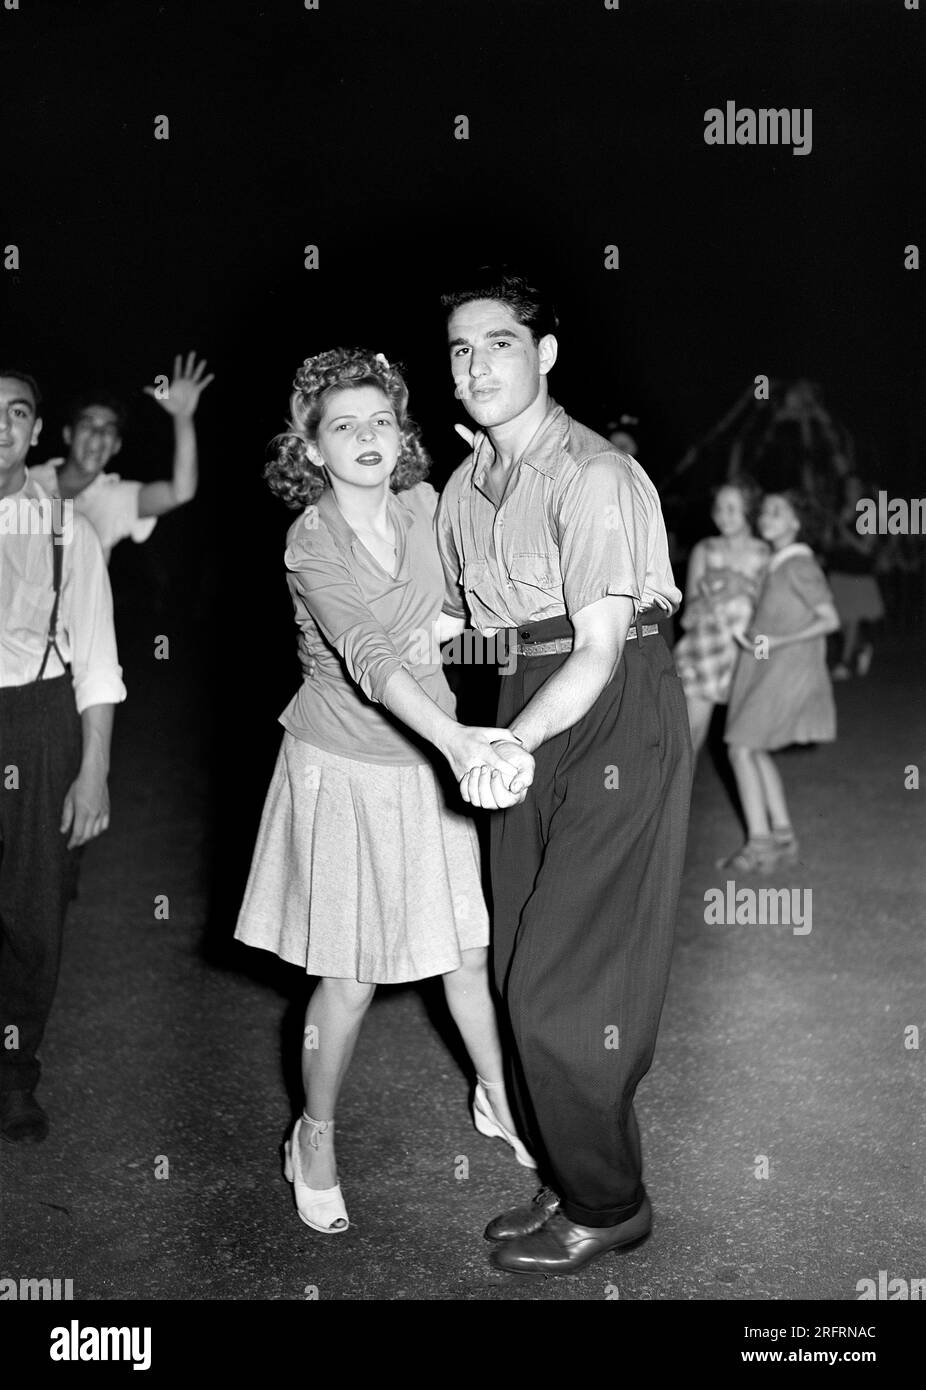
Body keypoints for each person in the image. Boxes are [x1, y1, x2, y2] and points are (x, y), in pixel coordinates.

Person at [234, 348, 535, 1236]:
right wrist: (455, 739)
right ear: (314, 448)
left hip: (424, 765)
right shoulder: (311, 541)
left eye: (380, 421)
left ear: (403, 434)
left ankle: (496, 1098)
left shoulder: (425, 504)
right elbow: (369, 658)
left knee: (467, 957)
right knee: (352, 981)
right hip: (345, 769)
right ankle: (313, 1135)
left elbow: (464, 605)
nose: (366, 437)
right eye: (343, 425)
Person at [435, 269, 693, 1276]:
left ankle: (609, 1202)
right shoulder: (465, 486)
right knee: (512, 969)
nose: (476, 365)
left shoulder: (593, 474)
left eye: (498, 343)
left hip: (607, 703)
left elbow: (592, 648)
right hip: (520, 701)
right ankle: (566, 1168)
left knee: (566, 985)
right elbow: (471, 627)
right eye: (459, 349)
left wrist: (510, 743)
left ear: (543, 354)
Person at [0, 369, 126, 1142]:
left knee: (32, 915)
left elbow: (100, 661)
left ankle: (13, 1075)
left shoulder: (64, 528)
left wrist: (94, 770)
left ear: (35, 431)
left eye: (15, 413)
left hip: (39, 720)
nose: (1, 426)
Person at [719, 490, 840, 872]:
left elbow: (829, 619)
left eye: (778, 511)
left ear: (796, 523)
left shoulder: (798, 565)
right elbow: (775, 623)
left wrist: (776, 642)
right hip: (771, 665)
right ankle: (783, 839)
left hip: (788, 669)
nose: (767, 517)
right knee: (753, 749)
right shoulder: (776, 564)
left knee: (740, 748)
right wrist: (752, 640)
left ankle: (760, 847)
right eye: (765, 511)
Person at [28, 352, 213, 563]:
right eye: (88, 425)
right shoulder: (27, 479)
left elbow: (182, 492)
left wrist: (183, 417)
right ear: (68, 434)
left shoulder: (117, 498)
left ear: (116, 446)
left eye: (108, 430)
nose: (97, 435)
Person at [674, 480, 769, 754]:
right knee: (691, 737)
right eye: (719, 508)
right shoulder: (705, 550)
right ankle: (678, 797)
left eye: (732, 509)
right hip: (706, 649)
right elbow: (687, 618)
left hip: (747, 653)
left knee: (747, 745)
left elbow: (768, 614)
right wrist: (716, 597)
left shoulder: (765, 554)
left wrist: (742, 587)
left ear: (749, 510)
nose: (722, 516)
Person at [826, 473, 884, 680]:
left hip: (858, 575)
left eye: (855, 487)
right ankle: (861, 647)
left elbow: (866, 548)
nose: (851, 491)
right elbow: (830, 542)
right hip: (838, 573)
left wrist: (844, 532)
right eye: (848, 487)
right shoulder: (840, 512)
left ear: (861, 490)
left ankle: (844, 662)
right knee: (837, 621)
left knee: (851, 619)